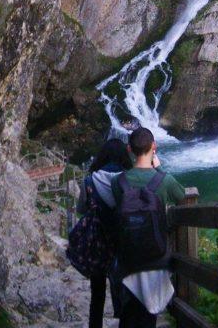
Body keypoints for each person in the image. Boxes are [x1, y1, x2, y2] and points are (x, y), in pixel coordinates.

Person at [113, 127, 185, 328]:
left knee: (129, 313)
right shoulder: (165, 181)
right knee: (149, 314)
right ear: (154, 146)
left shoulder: (117, 182)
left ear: (129, 149)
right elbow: (183, 199)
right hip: (156, 257)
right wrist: (159, 170)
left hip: (128, 259)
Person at [77, 138, 132, 328]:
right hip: (122, 242)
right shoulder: (129, 180)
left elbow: (81, 208)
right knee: (125, 290)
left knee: (97, 294)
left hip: (97, 242)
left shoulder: (89, 181)